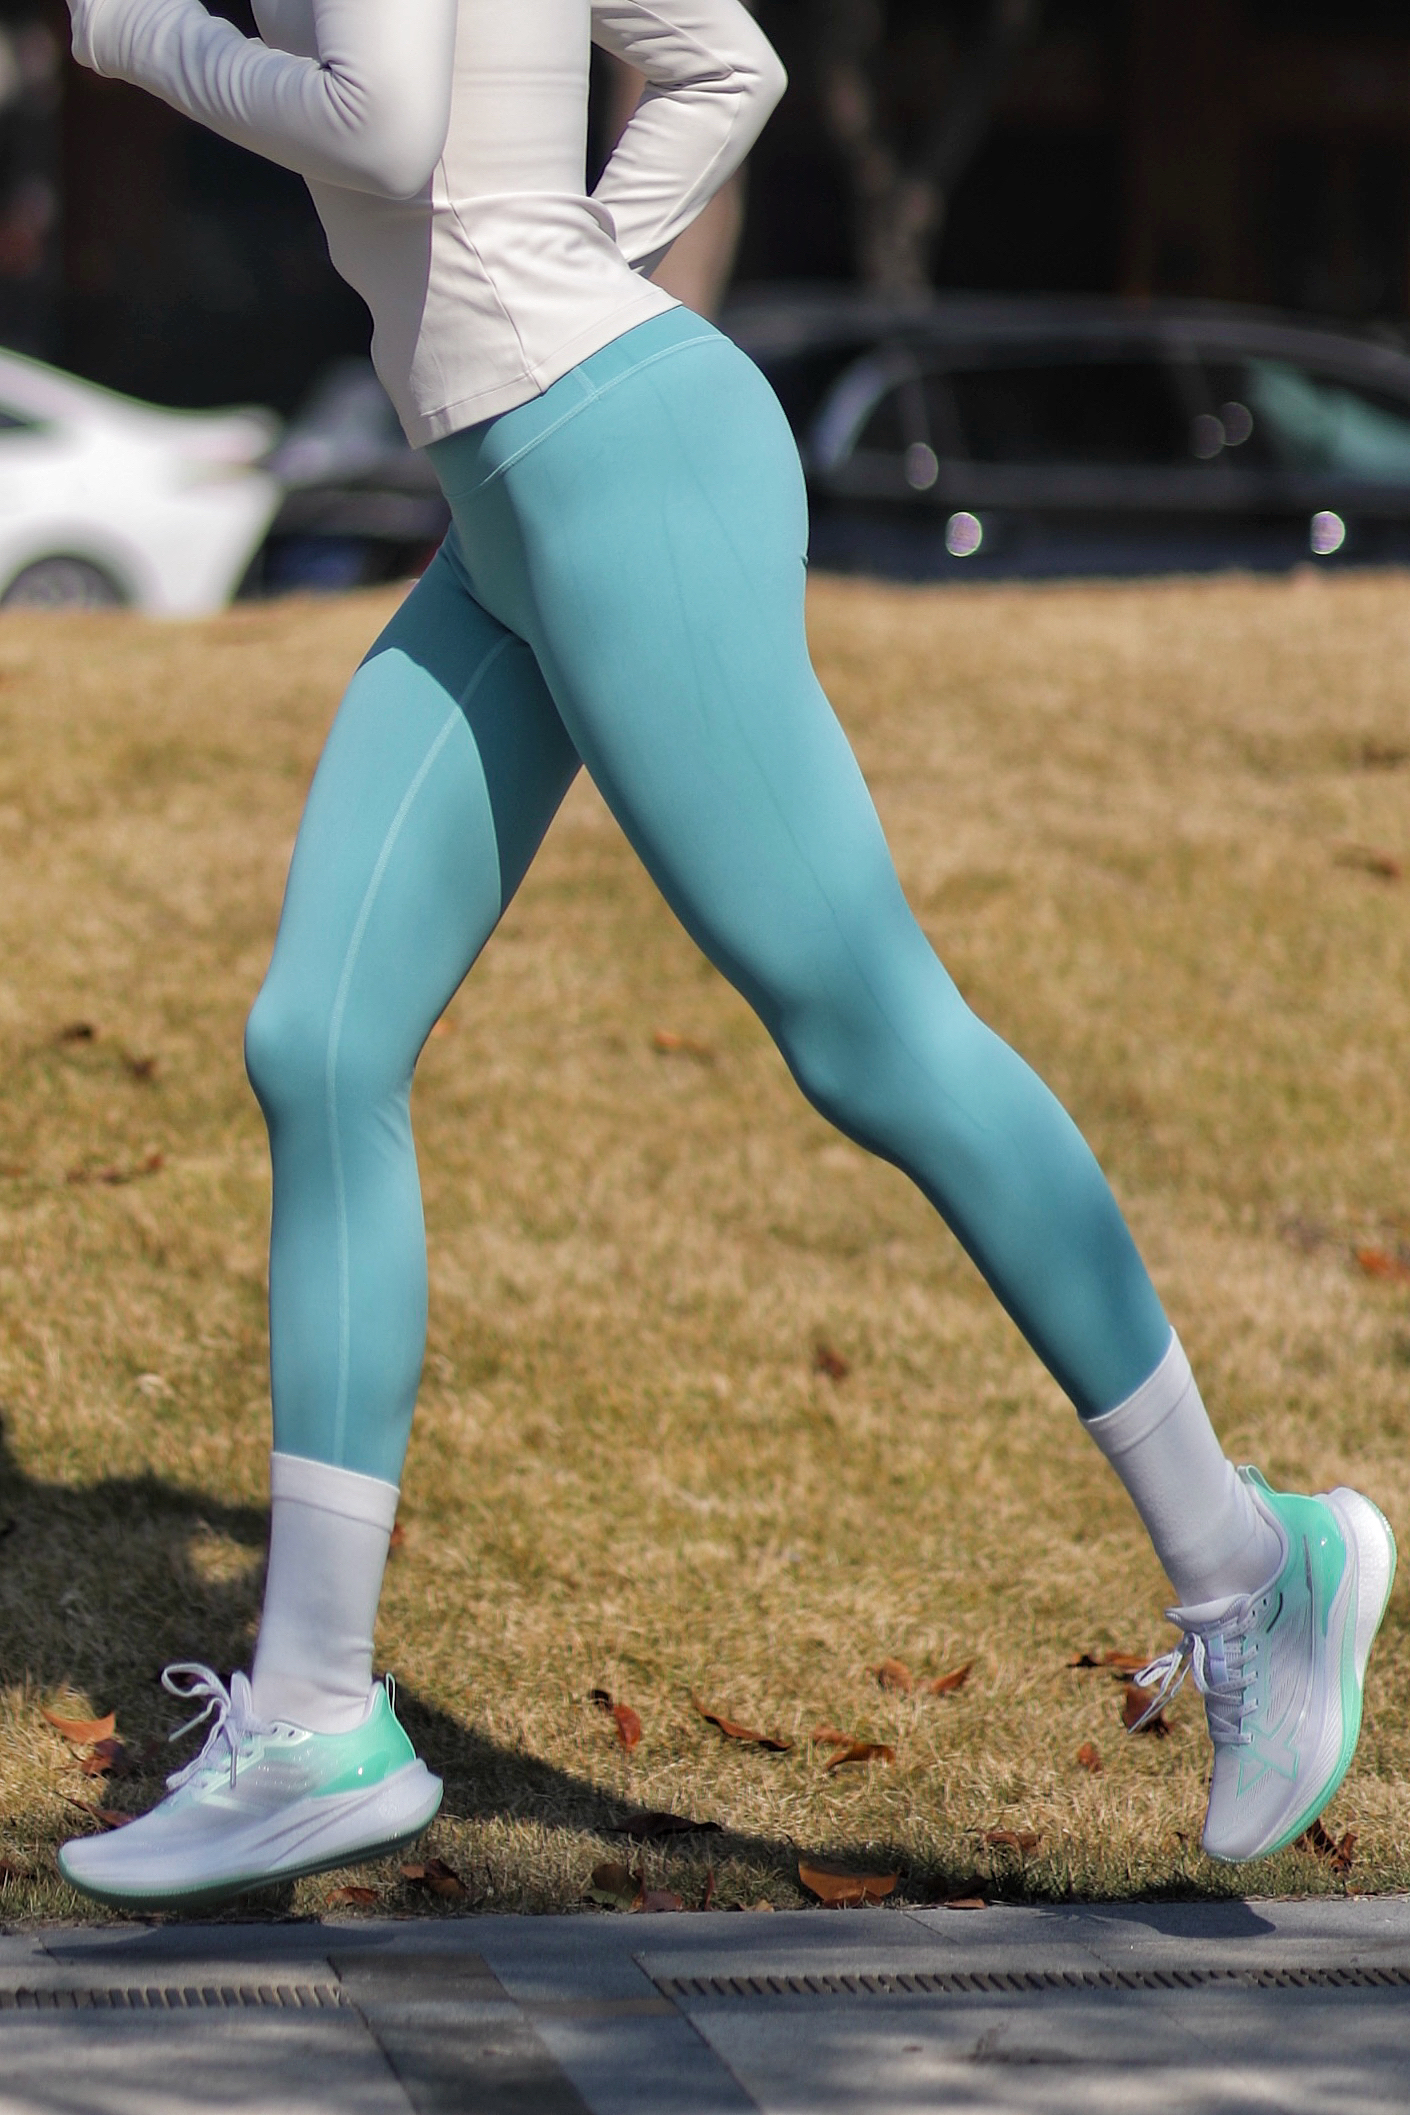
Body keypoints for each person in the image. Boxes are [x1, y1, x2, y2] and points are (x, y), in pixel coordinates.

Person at [58, 0, 1394, 1910]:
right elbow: (725, 63)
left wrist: (131, 39)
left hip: (608, 466)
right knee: (320, 1042)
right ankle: (317, 1712)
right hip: (526, 489)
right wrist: (576, 279)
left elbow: (382, 120)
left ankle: (1254, 1560)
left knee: (870, 1030)